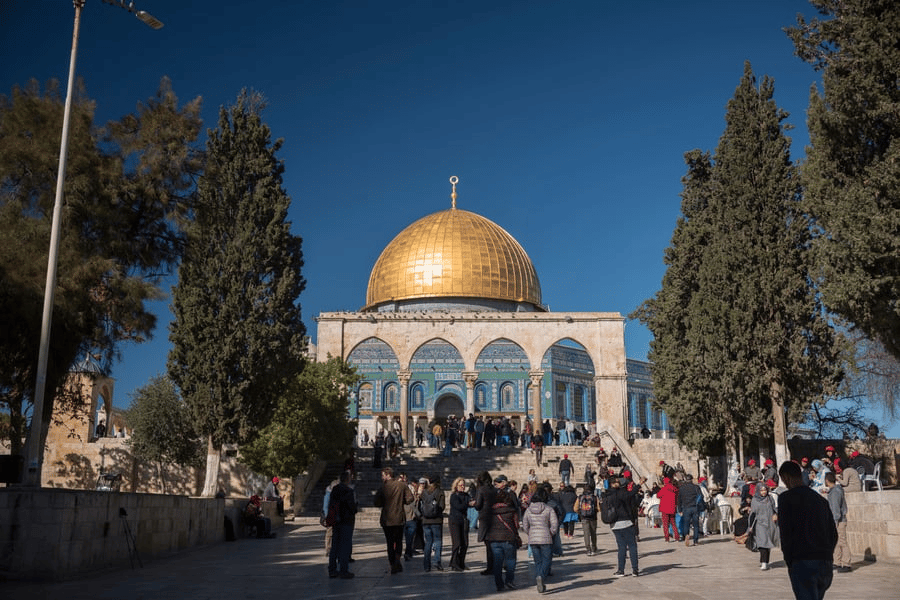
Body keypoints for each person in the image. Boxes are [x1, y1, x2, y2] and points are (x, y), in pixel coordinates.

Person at [778, 460, 838, 600]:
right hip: (824, 562)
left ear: (785, 478)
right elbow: (833, 533)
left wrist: (790, 561)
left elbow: (786, 533)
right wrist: (827, 555)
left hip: (802, 561)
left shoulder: (786, 499)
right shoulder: (821, 500)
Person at [373, 466, 414, 574]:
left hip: (387, 519)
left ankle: (392, 563)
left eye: (383, 475)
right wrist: (401, 502)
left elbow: (376, 502)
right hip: (399, 518)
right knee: (399, 541)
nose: (382, 478)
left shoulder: (383, 487)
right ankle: (397, 560)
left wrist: (385, 503)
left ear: (388, 475)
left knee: (389, 542)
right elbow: (410, 499)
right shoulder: (402, 485)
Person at [485, 478, 519, 592]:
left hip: (494, 539)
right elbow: (516, 525)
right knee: (510, 561)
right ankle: (509, 581)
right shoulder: (511, 511)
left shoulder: (490, 511)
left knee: (497, 563)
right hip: (509, 538)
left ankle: (499, 584)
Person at [522, 486, 558, 594]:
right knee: (547, 560)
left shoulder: (528, 510)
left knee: (538, 561)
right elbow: (554, 524)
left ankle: (539, 578)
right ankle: (541, 577)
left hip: (533, 539)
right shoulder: (548, 509)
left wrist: (530, 533)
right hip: (546, 538)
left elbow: (525, 525)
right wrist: (550, 532)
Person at [602, 477, 640, 577]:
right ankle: (635, 570)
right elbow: (631, 494)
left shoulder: (606, 495)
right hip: (626, 522)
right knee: (632, 546)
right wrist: (639, 484)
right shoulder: (620, 493)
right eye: (616, 482)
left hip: (614, 524)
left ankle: (621, 570)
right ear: (612, 484)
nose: (618, 483)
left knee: (621, 547)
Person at [327, 470, 357, 579]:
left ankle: (332, 569)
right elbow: (352, 508)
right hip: (346, 521)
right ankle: (343, 570)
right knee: (344, 546)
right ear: (347, 479)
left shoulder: (334, 489)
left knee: (334, 546)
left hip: (336, 521)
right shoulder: (348, 491)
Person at [825, 472, 852, 573]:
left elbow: (836, 509)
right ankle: (837, 561)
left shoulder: (835, 492)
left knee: (842, 541)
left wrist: (834, 522)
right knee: (836, 542)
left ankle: (846, 563)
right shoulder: (834, 490)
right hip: (837, 520)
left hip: (839, 521)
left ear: (827, 481)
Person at [750, 477, 778, 571]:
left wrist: (776, 514)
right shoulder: (755, 500)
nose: (764, 492)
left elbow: (775, 508)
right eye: (761, 490)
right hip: (760, 524)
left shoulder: (770, 498)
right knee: (762, 544)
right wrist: (750, 527)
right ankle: (763, 562)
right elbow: (752, 514)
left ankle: (766, 561)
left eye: (765, 490)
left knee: (768, 543)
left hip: (770, 523)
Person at [473, 470, 497, 576]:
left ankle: (490, 567)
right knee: (493, 544)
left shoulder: (481, 489)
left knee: (488, 544)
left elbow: (478, 505)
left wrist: (473, 503)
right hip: (494, 516)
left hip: (485, 518)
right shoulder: (494, 489)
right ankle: (495, 565)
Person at [420, 474, 446, 572]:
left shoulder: (424, 492)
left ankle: (427, 565)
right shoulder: (440, 492)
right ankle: (437, 562)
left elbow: (421, 506)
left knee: (428, 542)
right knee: (438, 541)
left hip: (426, 520)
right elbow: (442, 507)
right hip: (436, 520)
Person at [448, 476, 473, 571]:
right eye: (461, 485)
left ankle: (461, 562)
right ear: (456, 486)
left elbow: (470, 502)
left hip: (464, 521)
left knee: (465, 543)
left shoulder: (466, 495)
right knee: (457, 543)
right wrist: (468, 504)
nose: (462, 487)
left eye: (463, 485)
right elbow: (459, 506)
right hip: (455, 521)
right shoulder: (454, 496)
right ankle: (454, 562)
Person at [677, 473, 701, 546]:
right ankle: (695, 541)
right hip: (694, 507)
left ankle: (686, 535)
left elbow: (679, 500)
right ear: (692, 479)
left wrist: (680, 509)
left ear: (685, 480)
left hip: (686, 508)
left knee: (686, 524)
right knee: (696, 525)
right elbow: (700, 497)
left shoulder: (681, 488)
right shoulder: (696, 487)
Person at [402, 475, 422, 562]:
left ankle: (409, 552)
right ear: (414, 483)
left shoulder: (412, 491)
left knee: (409, 537)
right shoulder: (409, 491)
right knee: (409, 536)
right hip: (410, 516)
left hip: (408, 516)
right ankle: (407, 552)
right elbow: (412, 504)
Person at [575, 484, 599, 555]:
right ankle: (594, 548)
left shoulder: (580, 497)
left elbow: (575, 508)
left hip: (584, 517)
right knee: (593, 533)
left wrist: (580, 512)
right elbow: (599, 508)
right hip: (593, 517)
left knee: (586, 533)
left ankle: (588, 549)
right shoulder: (594, 497)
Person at [657, 477, 680, 542]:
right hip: (672, 508)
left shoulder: (664, 489)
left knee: (665, 524)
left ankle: (667, 537)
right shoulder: (675, 489)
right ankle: (677, 536)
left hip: (664, 508)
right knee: (673, 523)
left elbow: (658, 495)